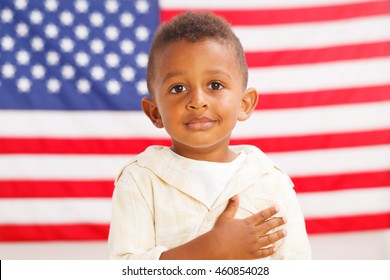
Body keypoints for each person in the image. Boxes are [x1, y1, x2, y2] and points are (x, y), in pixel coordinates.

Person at [108, 11, 311, 260]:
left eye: (215, 85)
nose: (197, 101)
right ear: (155, 112)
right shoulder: (140, 179)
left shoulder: (270, 181)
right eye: (178, 88)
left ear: (244, 103)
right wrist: (209, 250)